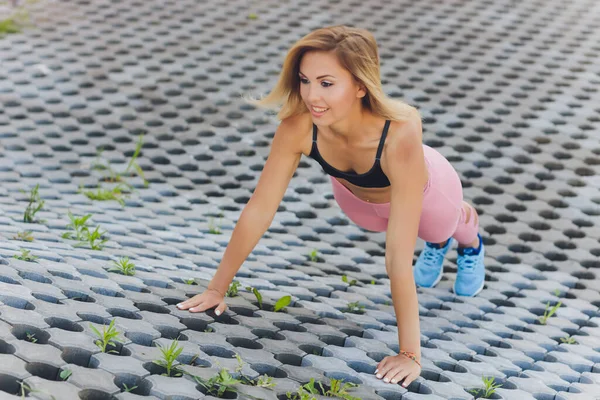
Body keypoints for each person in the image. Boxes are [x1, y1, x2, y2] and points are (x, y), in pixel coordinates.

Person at [177, 25, 485, 388]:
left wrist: (409, 353)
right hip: (358, 199)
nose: (311, 95)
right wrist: (217, 289)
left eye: (326, 83)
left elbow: (396, 259)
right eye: (305, 80)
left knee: (437, 228)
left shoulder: (399, 131)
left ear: (359, 85)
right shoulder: (298, 127)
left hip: (428, 188)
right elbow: (260, 208)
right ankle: (438, 242)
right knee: (378, 224)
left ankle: (466, 239)